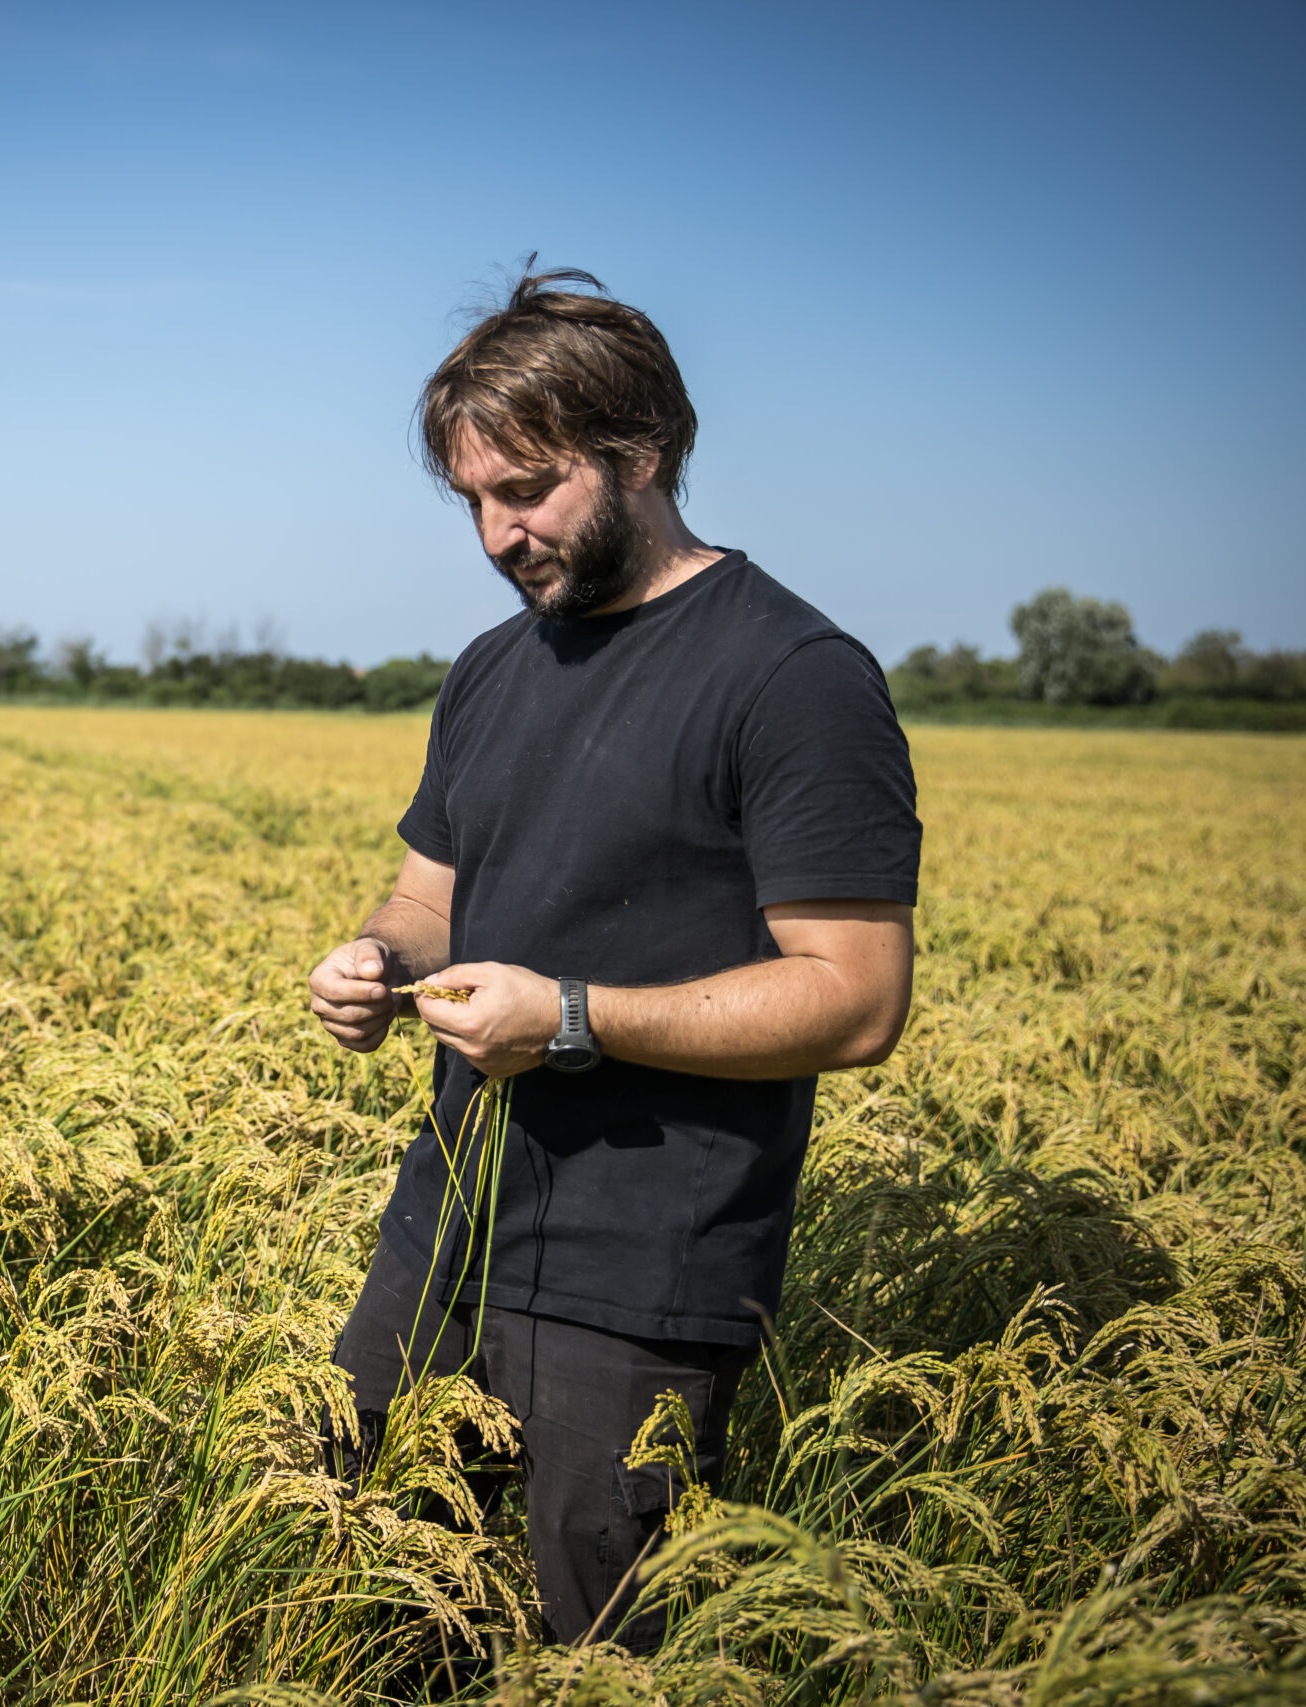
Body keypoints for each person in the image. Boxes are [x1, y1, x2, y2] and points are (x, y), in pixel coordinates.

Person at [306, 266, 921, 1653]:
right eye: (469, 499)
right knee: (375, 1607)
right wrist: (371, 958)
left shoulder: (793, 677)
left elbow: (857, 997)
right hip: (444, 1227)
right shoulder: (491, 669)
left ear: (639, 452)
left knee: (602, 1653)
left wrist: (571, 1019)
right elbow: (429, 895)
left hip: (641, 1273)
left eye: (524, 490)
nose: (492, 534)